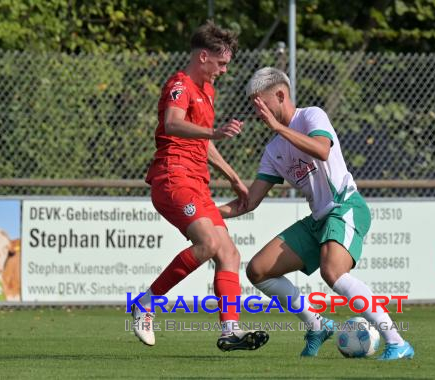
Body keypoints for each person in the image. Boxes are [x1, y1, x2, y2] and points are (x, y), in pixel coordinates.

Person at [218, 67, 414, 360]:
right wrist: (207, 214)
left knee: (332, 271)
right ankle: (317, 325)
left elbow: (322, 150)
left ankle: (397, 342)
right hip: (319, 219)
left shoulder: (311, 116)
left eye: (261, 103)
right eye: (253, 105)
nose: (258, 111)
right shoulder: (273, 150)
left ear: (281, 95)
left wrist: (279, 127)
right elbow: (250, 201)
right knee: (258, 269)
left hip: (345, 206)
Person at [131, 21, 269, 351]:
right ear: (204, 57)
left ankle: (230, 331)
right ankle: (145, 303)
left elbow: (204, 145)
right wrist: (214, 132)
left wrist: (234, 178)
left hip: (196, 182)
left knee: (229, 253)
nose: (224, 70)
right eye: (222, 63)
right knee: (208, 243)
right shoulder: (180, 83)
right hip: (173, 176)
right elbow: (173, 123)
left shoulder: (208, 92)